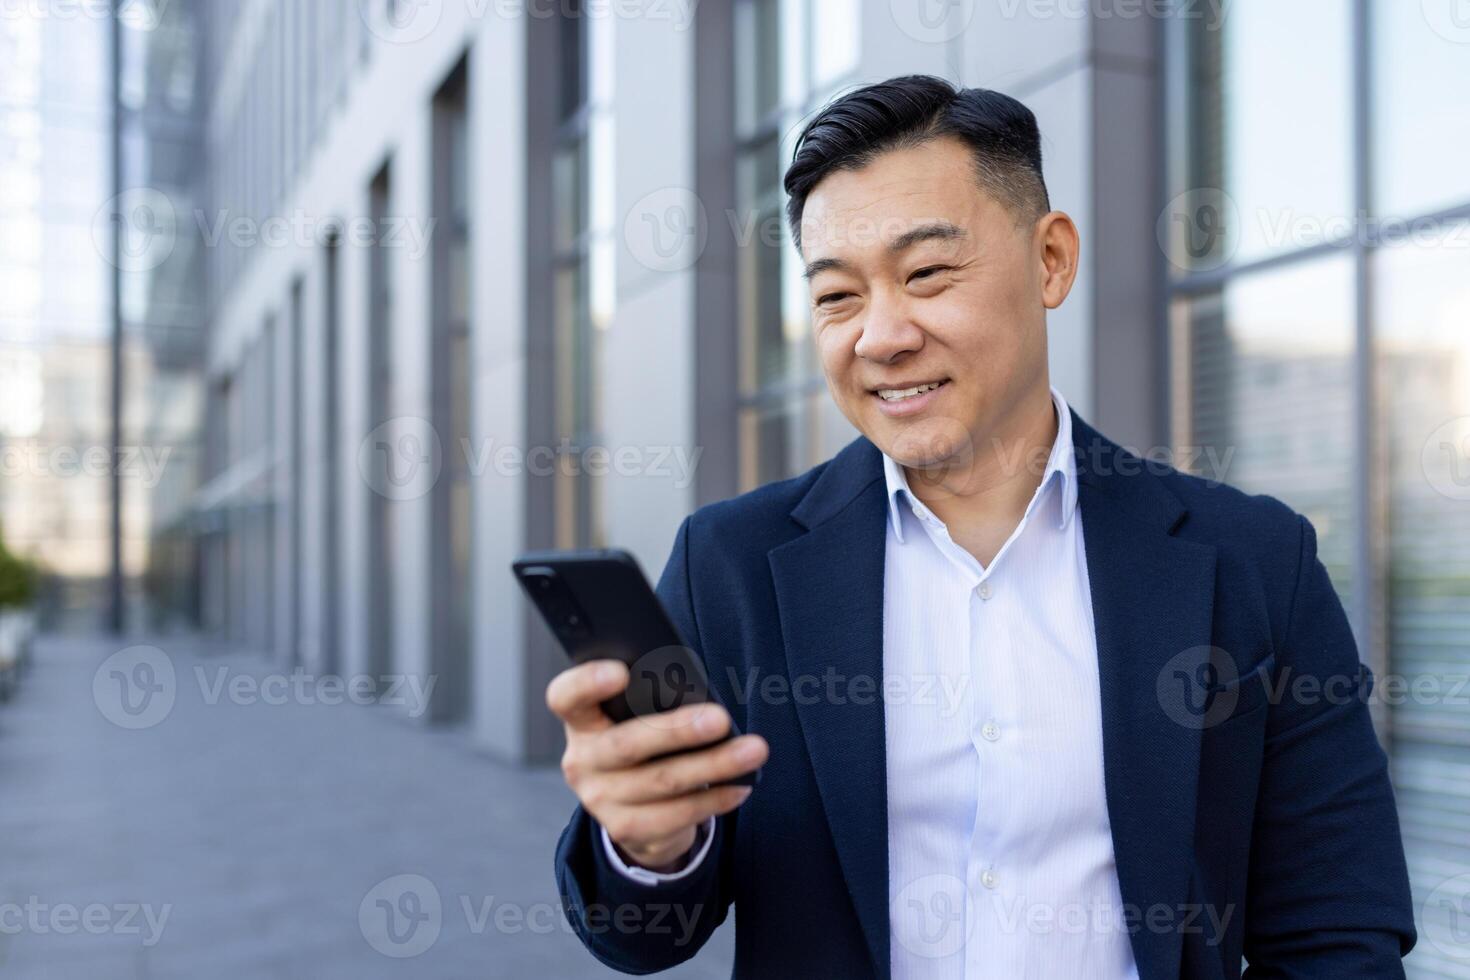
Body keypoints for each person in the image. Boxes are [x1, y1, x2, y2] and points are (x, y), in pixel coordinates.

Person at [546, 74, 1416, 978]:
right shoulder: (731, 564)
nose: (880, 336)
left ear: (1051, 260)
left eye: (926, 274)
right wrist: (647, 846)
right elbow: (640, 937)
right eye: (837, 296)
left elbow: (1336, 928)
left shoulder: (1254, 562)